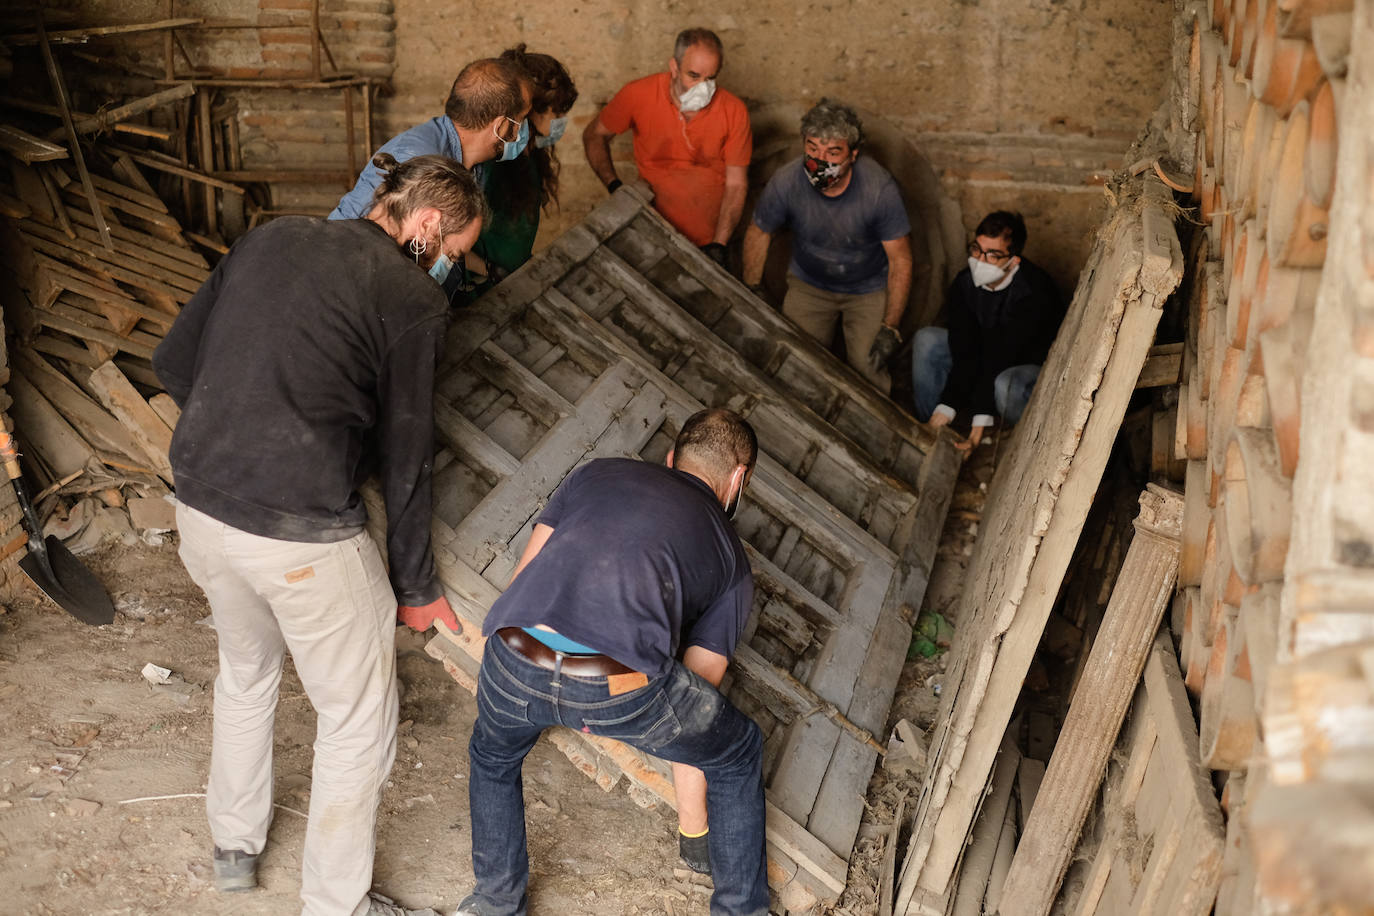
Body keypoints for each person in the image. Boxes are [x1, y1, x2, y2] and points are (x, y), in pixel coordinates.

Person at [153, 153, 485, 916]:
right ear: (428, 224)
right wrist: (418, 590)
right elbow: (407, 459)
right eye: (455, 254)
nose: (450, 270)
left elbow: (172, 364)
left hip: (200, 506)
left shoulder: (271, 239)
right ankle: (335, 905)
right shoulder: (411, 299)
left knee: (246, 671)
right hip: (300, 536)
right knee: (359, 720)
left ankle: (233, 847)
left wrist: (244, 426)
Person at [455, 409, 769, 916]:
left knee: (492, 758)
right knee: (736, 752)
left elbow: (525, 573)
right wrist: (692, 829)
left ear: (671, 457)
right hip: (614, 684)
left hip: (512, 655)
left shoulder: (596, 473)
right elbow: (698, 690)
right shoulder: (732, 559)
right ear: (738, 479)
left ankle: (494, 902)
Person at [741, 98, 913, 394]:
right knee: (796, 364)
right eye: (813, 149)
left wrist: (890, 327)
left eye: (833, 152)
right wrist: (753, 289)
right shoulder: (787, 181)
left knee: (869, 366)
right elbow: (759, 231)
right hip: (810, 286)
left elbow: (901, 259)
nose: (820, 161)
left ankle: (870, 436)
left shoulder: (878, 188)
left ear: (853, 155)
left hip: (866, 289)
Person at [582, 28, 752, 266]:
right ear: (674, 67)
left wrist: (718, 245)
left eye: (711, 78)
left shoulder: (733, 110)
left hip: (709, 241)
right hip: (649, 236)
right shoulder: (638, 95)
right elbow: (594, 136)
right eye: (693, 76)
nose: (703, 88)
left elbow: (736, 184)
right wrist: (615, 187)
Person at [911, 210, 1064, 451]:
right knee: (927, 340)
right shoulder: (964, 283)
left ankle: (1020, 446)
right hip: (984, 356)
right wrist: (946, 406)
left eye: (992, 255)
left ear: (1014, 260)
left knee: (1007, 385)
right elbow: (964, 348)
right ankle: (933, 429)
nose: (980, 261)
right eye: (977, 250)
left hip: (1025, 365)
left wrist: (978, 426)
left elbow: (1001, 355)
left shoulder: (1034, 293)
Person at [330, 58, 533, 220]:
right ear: (501, 125)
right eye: (522, 119)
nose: (524, 129)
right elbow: (368, 246)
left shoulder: (473, 167)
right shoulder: (417, 165)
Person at [464, 44, 578, 293]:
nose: (560, 120)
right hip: (479, 286)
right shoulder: (494, 158)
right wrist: (489, 271)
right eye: (556, 111)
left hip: (505, 281)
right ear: (531, 109)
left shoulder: (530, 155)